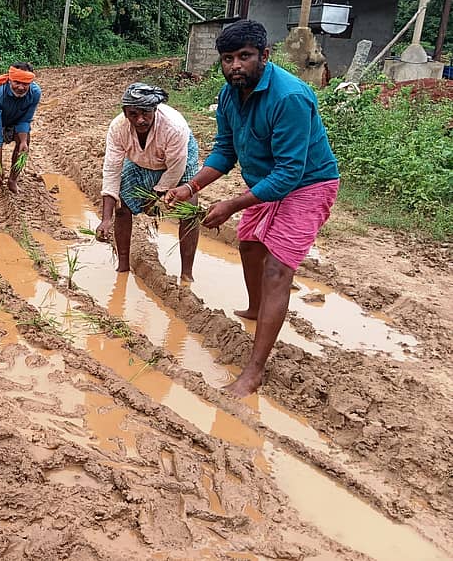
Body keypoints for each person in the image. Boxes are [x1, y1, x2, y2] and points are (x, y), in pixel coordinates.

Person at [165, 20, 340, 397]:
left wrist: (229, 204)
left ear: (265, 55)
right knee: (248, 245)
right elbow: (226, 151)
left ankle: (254, 372)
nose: (235, 66)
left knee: (278, 268)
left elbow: (290, 173)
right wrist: (190, 186)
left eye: (244, 57)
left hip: (308, 184)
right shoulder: (230, 95)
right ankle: (258, 310)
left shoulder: (290, 97)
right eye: (227, 59)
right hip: (265, 182)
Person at [95, 83, 201, 280]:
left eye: (146, 113)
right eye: (133, 114)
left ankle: (187, 274)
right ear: (125, 113)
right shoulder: (118, 128)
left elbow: (175, 169)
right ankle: (123, 266)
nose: (140, 120)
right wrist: (106, 218)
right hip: (139, 158)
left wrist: (156, 196)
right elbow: (111, 169)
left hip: (178, 160)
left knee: (189, 210)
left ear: (155, 109)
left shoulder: (173, 128)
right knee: (122, 207)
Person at [0, 62, 41, 196]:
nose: (21, 87)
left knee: (25, 142)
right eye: (17, 82)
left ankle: (12, 180)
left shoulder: (35, 93)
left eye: (25, 84)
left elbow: (25, 120)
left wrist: (22, 141)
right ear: (10, 79)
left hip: (16, 114)